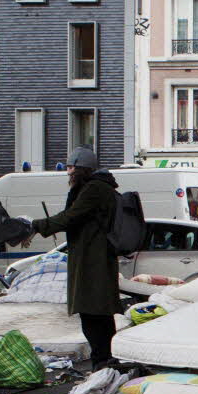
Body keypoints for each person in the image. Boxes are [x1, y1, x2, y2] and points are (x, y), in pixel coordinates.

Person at [27, 146, 121, 370]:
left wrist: (36, 225)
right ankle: (105, 360)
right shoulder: (101, 187)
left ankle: (102, 362)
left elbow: (71, 216)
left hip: (92, 259)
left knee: (91, 313)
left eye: (70, 168)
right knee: (99, 314)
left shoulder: (94, 189)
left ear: (82, 169)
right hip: (96, 256)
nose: (68, 172)